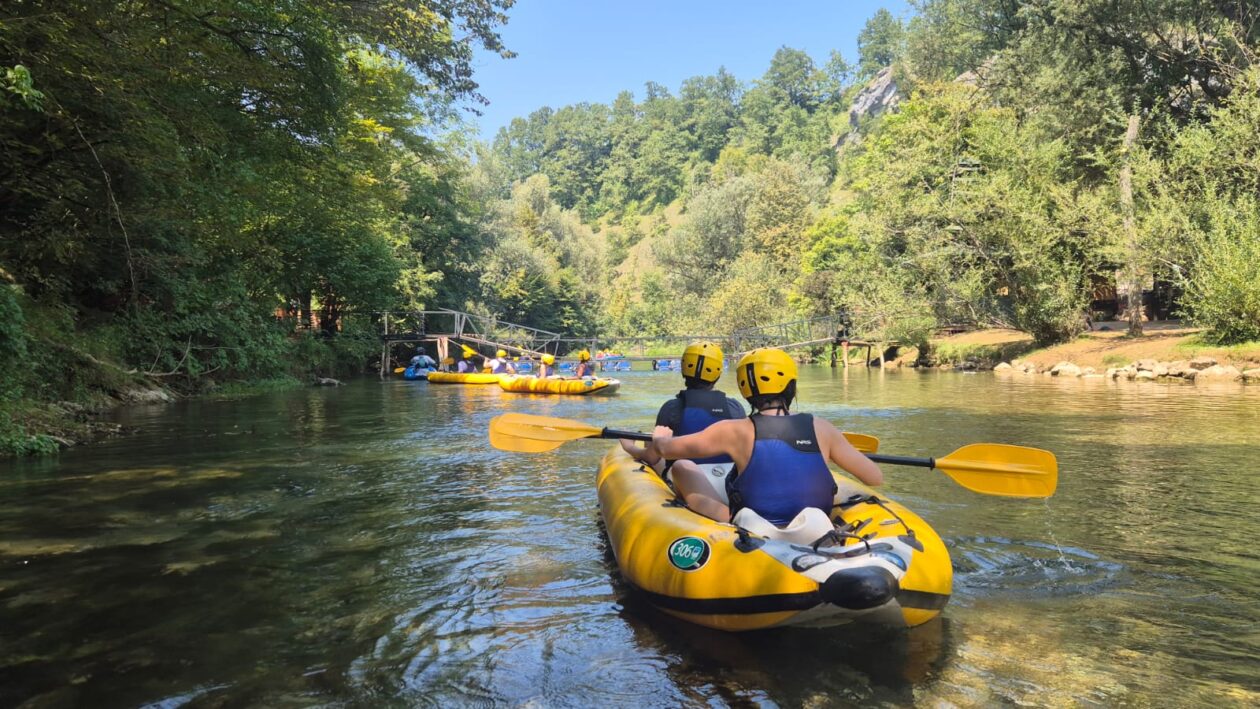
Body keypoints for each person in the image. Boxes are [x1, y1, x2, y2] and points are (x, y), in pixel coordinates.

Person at [634, 348, 883, 527]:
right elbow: (875, 477)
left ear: (745, 390)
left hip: (753, 525)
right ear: (791, 386)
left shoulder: (732, 430)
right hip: (817, 525)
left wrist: (660, 436)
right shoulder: (822, 427)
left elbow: (667, 451)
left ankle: (724, 520)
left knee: (682, 467)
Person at [620, 341, 745, 481]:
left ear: (683, 369)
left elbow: (652, 458)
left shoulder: (671, 408)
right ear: (718, 374)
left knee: (651, 444)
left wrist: (629, 446)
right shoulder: (735, 407)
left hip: (686, 481)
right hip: (727, 481)